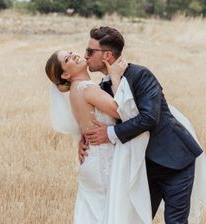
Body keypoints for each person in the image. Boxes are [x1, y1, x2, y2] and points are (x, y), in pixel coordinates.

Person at [83, 26, 203, 224]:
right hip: (141, 169)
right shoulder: (102, 87)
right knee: (135, 219)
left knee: (176, 221)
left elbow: (149, 118)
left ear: (107, 55)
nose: (85, 56)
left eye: (89, 51)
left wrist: (111, 133)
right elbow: (102, 120)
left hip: (175, 162)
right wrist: (84, 140)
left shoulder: (140, 75)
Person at [45, 49, 127, 223]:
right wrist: (115, 77)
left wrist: (81, 140)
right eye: (68, 59)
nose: (74, 55)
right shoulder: (87, 88)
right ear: (66, 74)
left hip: (91, 159)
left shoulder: (76, 91)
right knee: (110, 216)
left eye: (71, 52)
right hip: (104, 160)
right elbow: (121, 111)